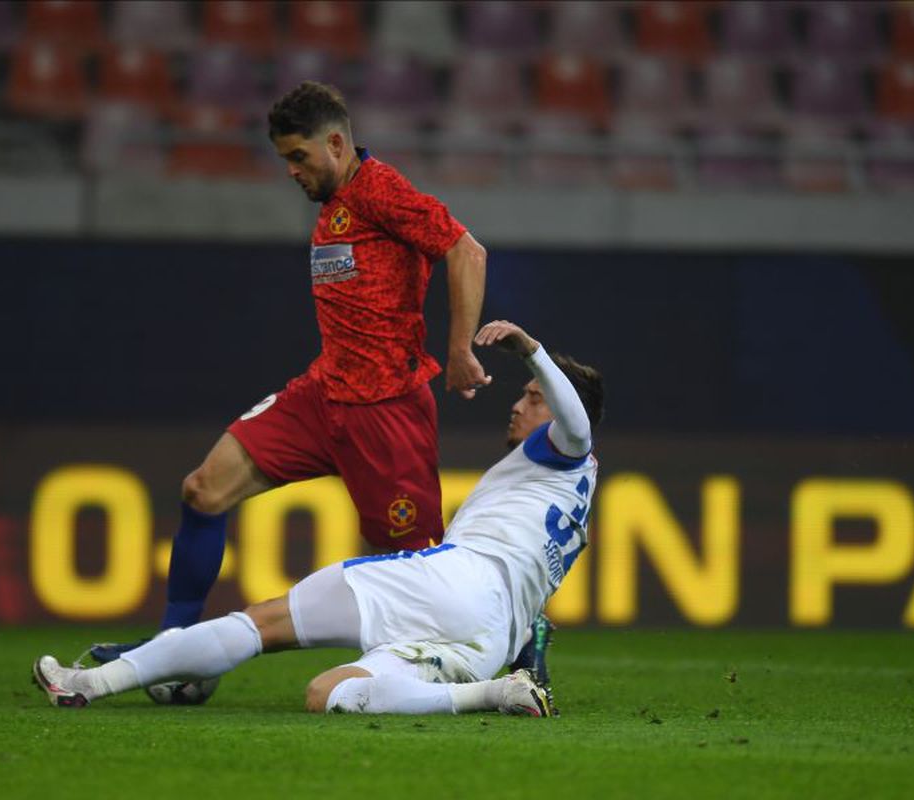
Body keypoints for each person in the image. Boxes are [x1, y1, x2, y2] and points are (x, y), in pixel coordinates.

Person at [87, 81, 493, 691]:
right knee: (203, 491)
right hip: (321, 394)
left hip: (386, 411)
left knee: (417, 576)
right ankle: (175, 650)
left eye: (298, 157)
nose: (291, 171)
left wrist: (460, 349)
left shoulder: (380, 189)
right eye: (284, 160)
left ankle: (507, 654)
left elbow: (467, 250)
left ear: (335, 143)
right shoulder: (334, 206)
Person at [35, 319, 604, 716]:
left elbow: (576, 426)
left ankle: (88, 682)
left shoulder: (563, 447)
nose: (519, 402)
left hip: (450, 584)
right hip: (489, 641)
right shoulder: (573, 493)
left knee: (260, 624)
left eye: (533, 397)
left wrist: (534, 352)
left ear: (554, 405)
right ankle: (492, 695)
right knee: (330, 694)